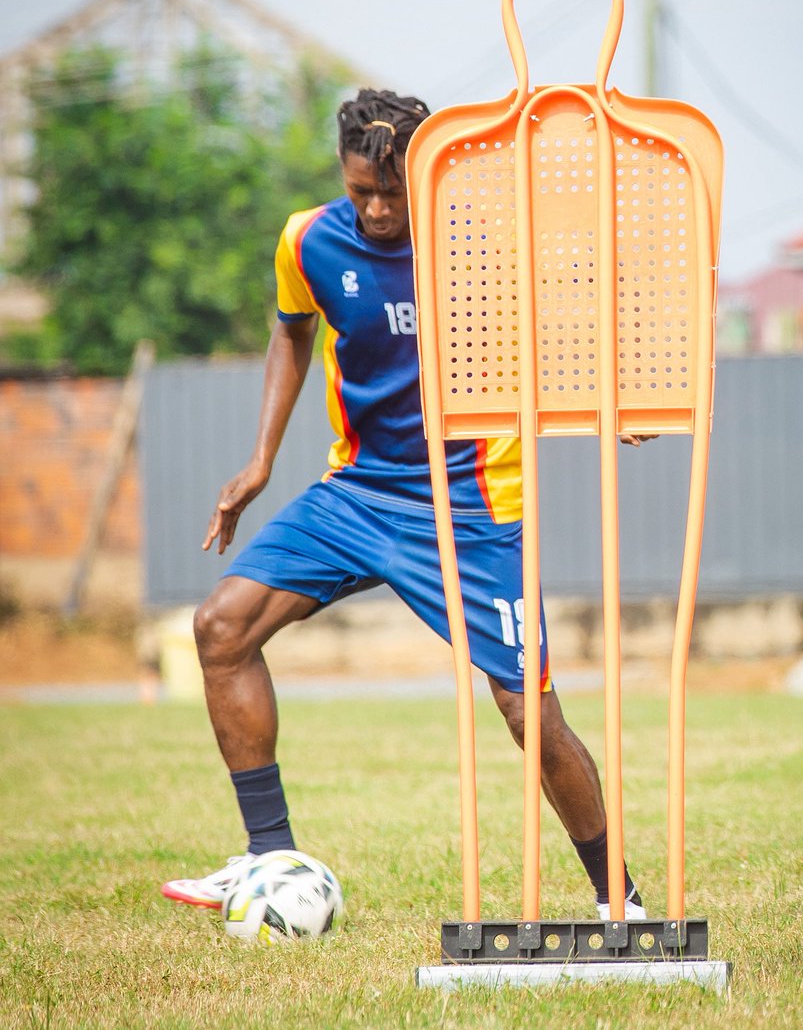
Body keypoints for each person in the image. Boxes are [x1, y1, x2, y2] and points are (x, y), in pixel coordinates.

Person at [161, 88, 647, 921]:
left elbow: (565, 315)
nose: (379, 209)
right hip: (359, 492)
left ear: (425, 170)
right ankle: (269, 859)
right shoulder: (308, 239)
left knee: (527, 710)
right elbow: (291, 330)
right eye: (362, 192)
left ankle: (620, 902)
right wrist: (260, 459)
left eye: (393, 190)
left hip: (472, 505)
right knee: (220, 630)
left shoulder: (484, 237)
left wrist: (603, 393)